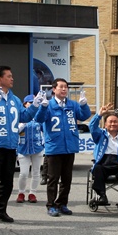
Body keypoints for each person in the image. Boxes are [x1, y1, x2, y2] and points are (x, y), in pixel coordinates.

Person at [0, 66, 44, 225]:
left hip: (10, 146)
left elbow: (24, 116)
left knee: (7, 182)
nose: (12, 78)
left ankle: (1, 211)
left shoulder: (14, 100)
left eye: (12, 76)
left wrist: (34, 105)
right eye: (8, 76)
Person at [35, 79, 91, 217]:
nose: (64, 89)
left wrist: (84, 105)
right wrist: (42, 107)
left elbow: (84, 116)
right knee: (53, 178)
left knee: (67, 179)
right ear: (54, 89)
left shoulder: (72, 104)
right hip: (54, 147)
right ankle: (51, 205)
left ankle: (62, 203)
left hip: (69, 147)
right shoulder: (48, 105)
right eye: (61, 87)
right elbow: (39, 119)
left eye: (66, 87)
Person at [88, 103, 118, 206]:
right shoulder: (100, 135)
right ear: (105, 125)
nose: (113, 124)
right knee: (98, 169)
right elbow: (92, 126)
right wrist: (99, 115)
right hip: (103, 162)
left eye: (115, 122)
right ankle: (102, 196)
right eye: (110, 122)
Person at [16, 94, 45, 204]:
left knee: (36, 172)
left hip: (37, 147)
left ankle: (33, 193)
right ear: (25, 104)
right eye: (30, 102)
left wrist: (44, 143)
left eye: (34, 102)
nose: (32, 104)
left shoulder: (38, 116)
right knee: (23, 173)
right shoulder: (20, 115)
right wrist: (22, 124)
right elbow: (15, 131)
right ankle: (21, 192)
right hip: (23, 147)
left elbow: (44, 130)